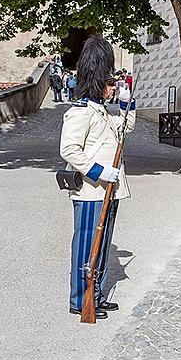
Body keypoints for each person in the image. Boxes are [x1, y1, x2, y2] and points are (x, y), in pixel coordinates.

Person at [60, 36, 135, 320]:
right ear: (97, 81)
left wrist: (128, 101)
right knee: (87, 247)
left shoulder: (101, 111)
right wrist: (99, 172)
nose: (112, 86)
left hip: (108, 191)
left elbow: (125, 128)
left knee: (101, 246)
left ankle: (97, 294)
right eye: (109, 82)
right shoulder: (80, 112)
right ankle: (80, 300)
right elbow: (68, 150)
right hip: (91, 190)